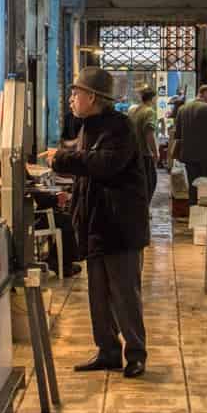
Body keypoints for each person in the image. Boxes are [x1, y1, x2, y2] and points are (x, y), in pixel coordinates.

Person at [43, 67, 151, 378]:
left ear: (92, 97)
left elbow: (105, 164)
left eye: (75, 94)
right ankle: (107, 351)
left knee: (124, 295)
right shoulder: (88, 126)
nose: (71, 99)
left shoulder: (120, 127)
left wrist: (62, 160)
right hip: (95, 225)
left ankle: (136, 354)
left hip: (120, 226)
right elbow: (89, 169)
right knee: (99, 296)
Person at [172, 84, 207, 205]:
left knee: (193, 189)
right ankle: (204, 218)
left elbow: (177, 136)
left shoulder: (182, 109)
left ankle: (194, 215)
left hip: (188, 157)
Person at [127, 87, 159, 199]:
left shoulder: (134, 111)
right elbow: (149, 133)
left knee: (137, 185)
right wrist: (155, 152)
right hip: (145, 154)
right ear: (153, 98)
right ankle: (144, 212)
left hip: (133, 154)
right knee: (150, 184)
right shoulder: (149, 111)